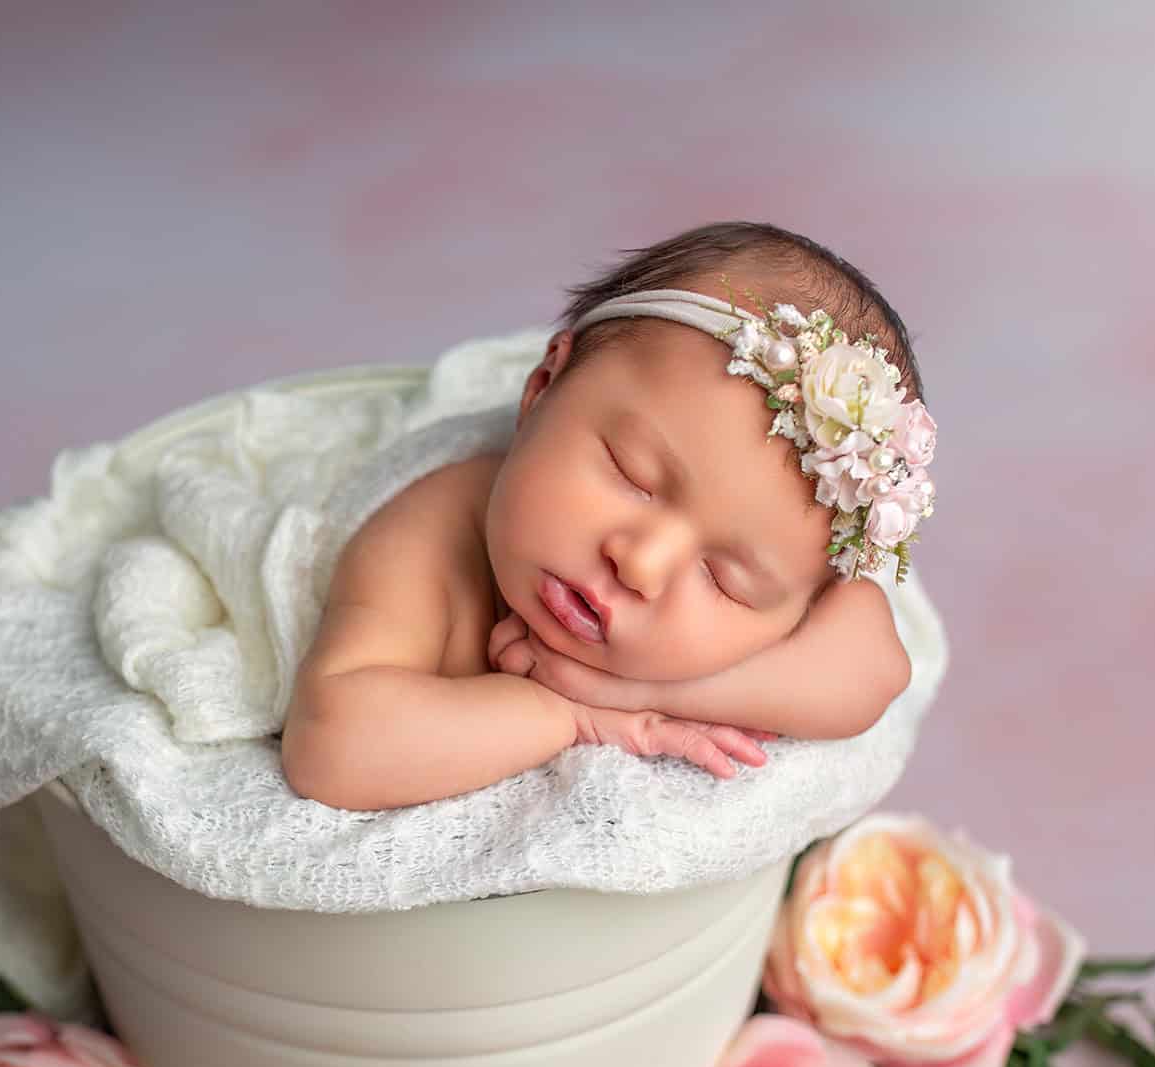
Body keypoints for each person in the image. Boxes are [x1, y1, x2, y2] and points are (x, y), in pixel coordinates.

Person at [281, 221, 936, 812]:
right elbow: (335, 746)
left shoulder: (793, 590)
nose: (641, 563)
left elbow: (875, 668)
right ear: (542, 390)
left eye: (723, 578)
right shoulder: (432, 527)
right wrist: (567, 712)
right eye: (633, 475)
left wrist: (637, 693)